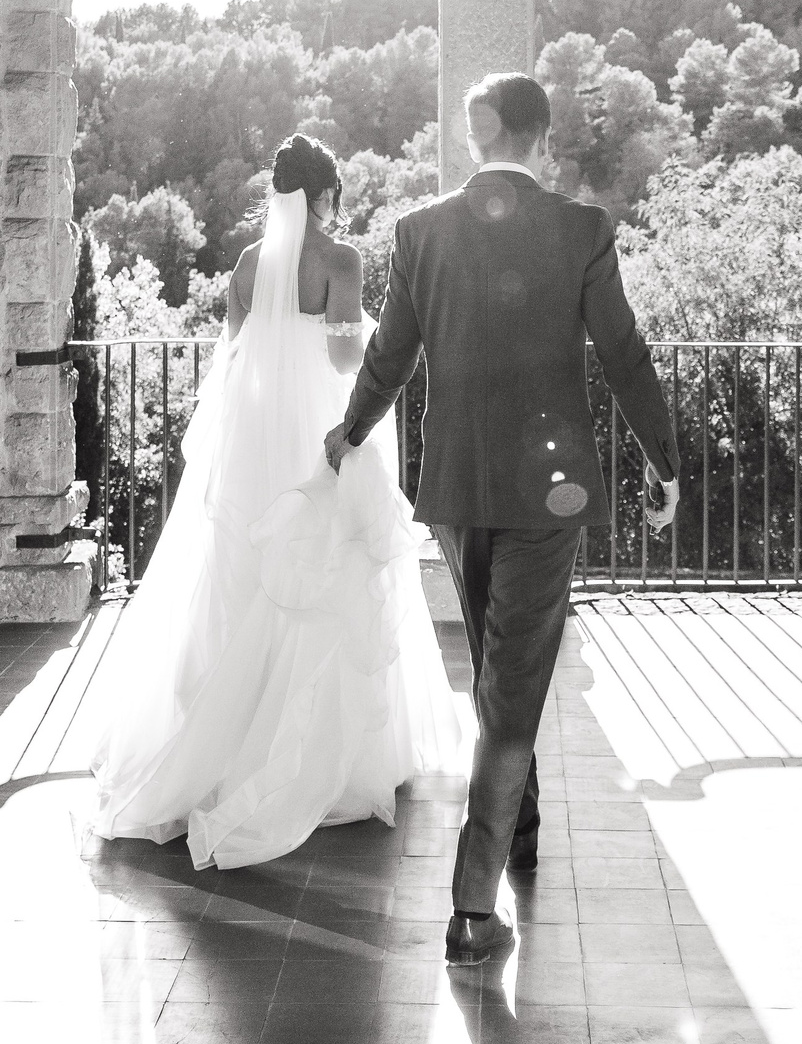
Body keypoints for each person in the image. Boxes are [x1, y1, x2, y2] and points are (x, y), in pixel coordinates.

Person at [325, 74, 680, 966]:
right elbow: (625, 355)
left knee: (500, 669)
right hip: (544, 493)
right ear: (540, 137)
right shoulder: (580, 230)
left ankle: (515, 836)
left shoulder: (419, 232)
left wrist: (350, 429)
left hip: (455, 484)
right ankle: (472, 910)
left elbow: (390, 353)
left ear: (480, 138)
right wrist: (663, 459)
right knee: (511, 684)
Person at [86, 134, 474, 869]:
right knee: (324, 574)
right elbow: (343, 358)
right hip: (318, 436)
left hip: (254, 444)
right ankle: (324, 762)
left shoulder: (246, 264)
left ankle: (222, 747)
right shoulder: (340, 262)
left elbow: (232, 355)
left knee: (240, 579)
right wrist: (371, 333)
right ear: (326, 196)